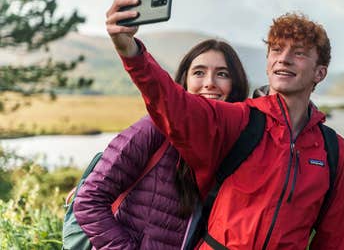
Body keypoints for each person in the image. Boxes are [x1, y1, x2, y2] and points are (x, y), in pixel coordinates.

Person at [105, 0, 344, 250]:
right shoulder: (241, 120)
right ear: (268, 63)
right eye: (277, 49)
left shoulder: (334, 151)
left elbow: (334, 240)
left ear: (320, 72)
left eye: (299, 53)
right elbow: (172, 102)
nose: (284, 58)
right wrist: (130, 51)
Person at [73, 38, 250, 249]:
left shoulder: (237, 148)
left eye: (222, 74)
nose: (210, 82)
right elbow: (88, 200)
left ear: (235, 85)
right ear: (183, 82)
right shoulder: (154, 128)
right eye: (199, 73)